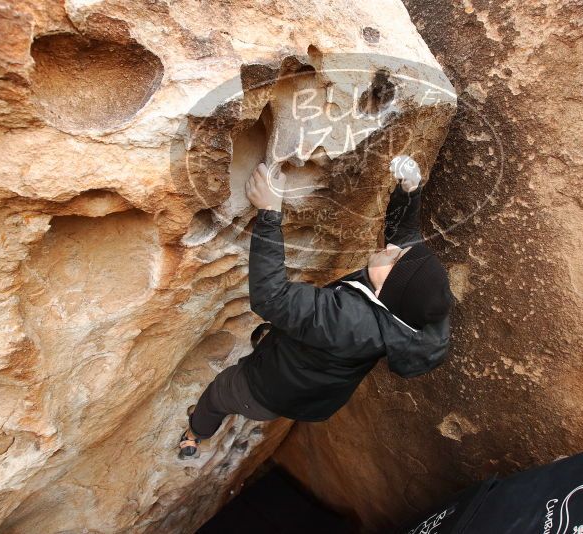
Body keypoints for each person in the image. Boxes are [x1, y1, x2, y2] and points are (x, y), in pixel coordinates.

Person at [178, 156, 453, 459]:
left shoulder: (350, 321)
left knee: (219, 394)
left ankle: (195, 434)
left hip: (264, 392)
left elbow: (271, 297)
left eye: (394, 258)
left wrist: (269, 211)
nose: (390, 247)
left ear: (386, 292)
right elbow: (403, 240)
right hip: (310, 391)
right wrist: (409, 191)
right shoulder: (407, 311)